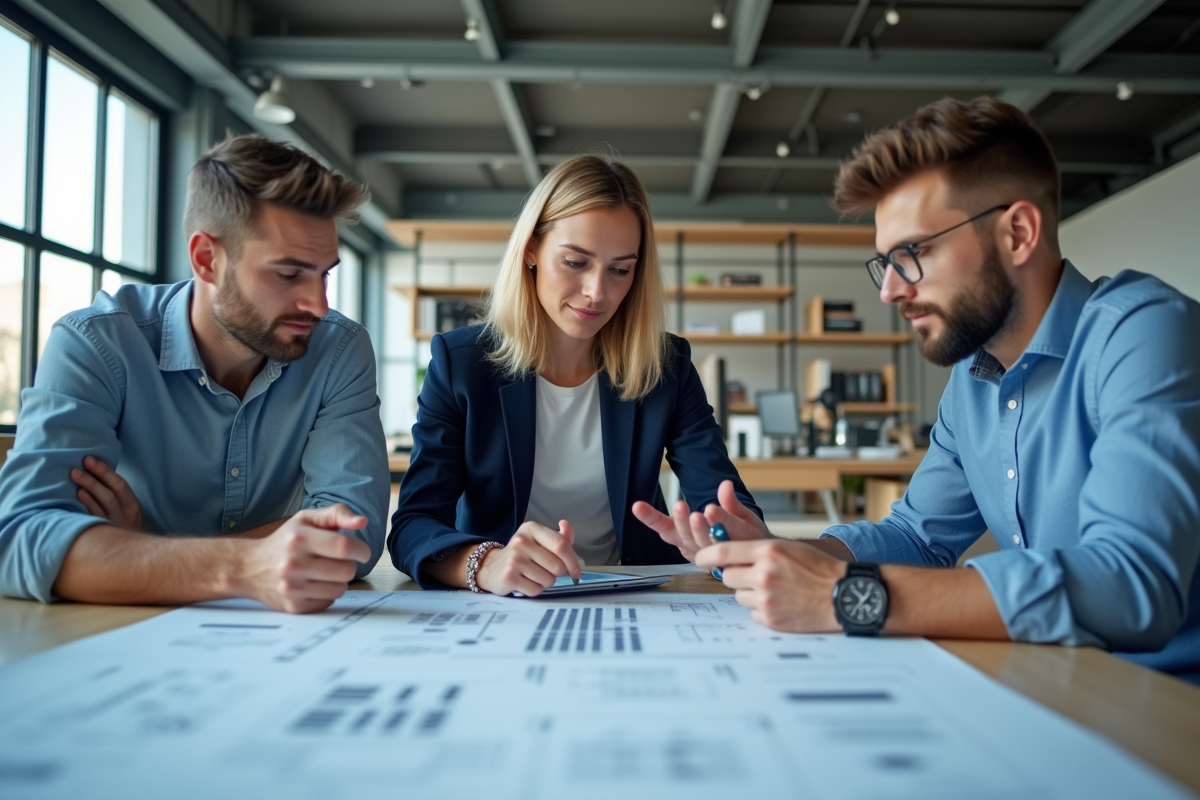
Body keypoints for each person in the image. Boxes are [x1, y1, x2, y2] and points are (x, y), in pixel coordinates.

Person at [685, 96, 1200, 683]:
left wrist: (848, 595)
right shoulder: (972, 380)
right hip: (1062, 689)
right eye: (886, 263)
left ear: (1019, 233)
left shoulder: (1143, 332)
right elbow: (918, 536)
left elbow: (1132, 586)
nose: (890, 292)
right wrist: (796, 555)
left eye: (915, 253)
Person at [0, 135, 390, 614]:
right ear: (207, 259)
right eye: (289, 275)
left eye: (324, 273)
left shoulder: (338, 349)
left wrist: (138, 550)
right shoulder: (96, 342)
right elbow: (20, 539)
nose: (319, 304)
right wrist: (245, 567)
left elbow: (354, 532)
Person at [390, 154, 764, 596]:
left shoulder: (667, 365)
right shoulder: (461, 363)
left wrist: (732, 539)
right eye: (574, 262)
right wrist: (487, 563)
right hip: (508, 602)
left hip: (636, 595)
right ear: (531, 249)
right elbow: (414, 524)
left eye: (620, 270)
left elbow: (724, 502)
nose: (597, 292)